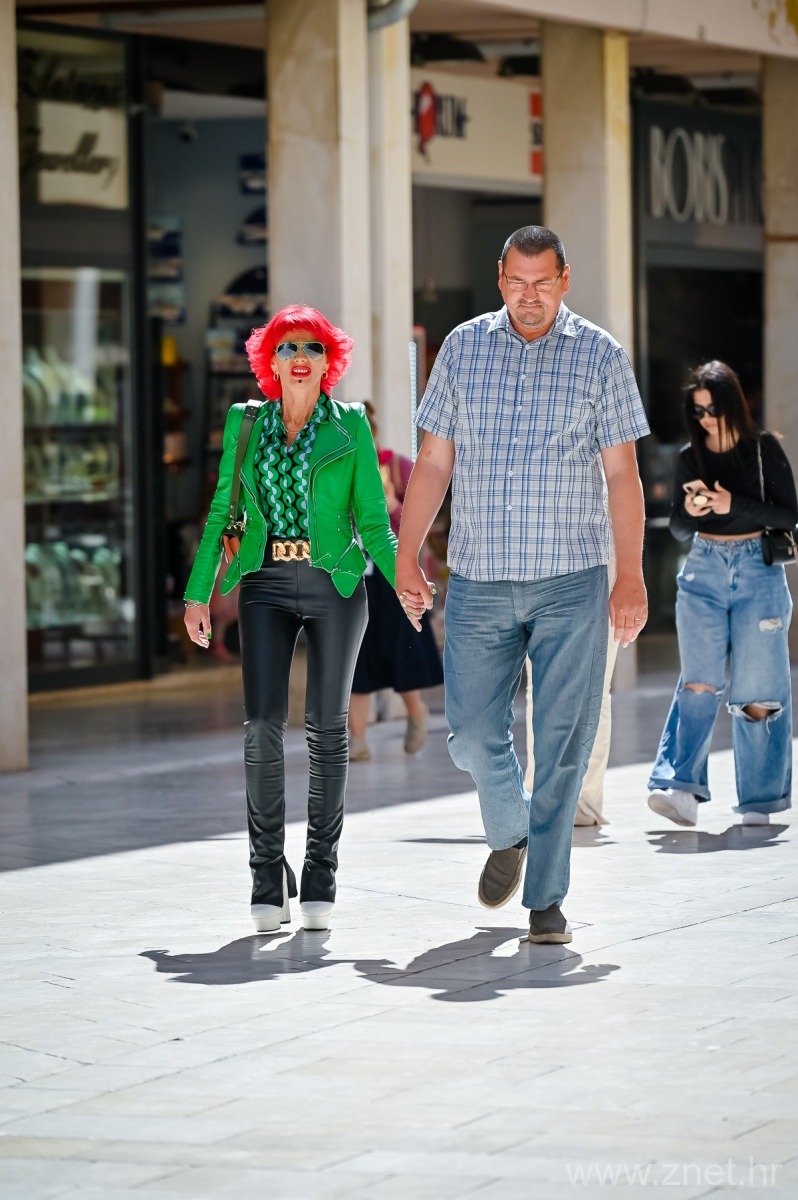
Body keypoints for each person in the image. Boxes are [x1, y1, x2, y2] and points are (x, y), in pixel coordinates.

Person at [395, 225, 650, 945]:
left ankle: (546, 900)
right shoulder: (463, 348)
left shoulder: (601, 356)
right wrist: (407, 556)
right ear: (499, 278)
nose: (529, 296)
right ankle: (511, 830)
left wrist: (630, 574)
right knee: (471, 735)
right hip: (479, 579)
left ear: (564, 280)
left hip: (572, 580)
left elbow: (622, 473)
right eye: (516, 282)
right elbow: (434, 462)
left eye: (542, 283)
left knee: (563, 743)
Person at [183, 305, 415, 934]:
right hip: (262, 582)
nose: (301, 358)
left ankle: (320, 870)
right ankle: (266, 872)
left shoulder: (350, 425)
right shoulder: (245, 422)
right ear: (271, 361)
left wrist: (405, 578)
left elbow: (374, 521)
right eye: (287, 348)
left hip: (335, 582)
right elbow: (222, 511)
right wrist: (198, 594)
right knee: (261, 726)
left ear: (329, 361)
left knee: (326, 728)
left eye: (314, 347)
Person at [648, 360, 796, 828]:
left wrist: (735, 504)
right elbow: (677, 528)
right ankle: (680, 789)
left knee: (758, 691)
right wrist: (692, 511)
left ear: (732, 403)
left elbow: (789, 515)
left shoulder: (763, 449)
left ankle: (760, 800)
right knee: (698, 682)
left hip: (758, 572)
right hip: (703, 569)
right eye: (698, 411)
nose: (706, 418)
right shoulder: (690, 456)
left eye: (713, 408)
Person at [348, 401, 443, 762]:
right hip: (354, 574)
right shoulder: (336, 468)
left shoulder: (396, 467)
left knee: (399, 649)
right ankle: (356, 739)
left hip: (391, 574)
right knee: (355, 658)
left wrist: (391, 505)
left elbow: (421, 516)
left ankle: (416, 712)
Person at [525, 546, 618, 827]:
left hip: (599, 554)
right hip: (532, 555)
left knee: (594, 686)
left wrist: (630, 575)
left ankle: (583, 799)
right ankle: (537, 792)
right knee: (538, 687)